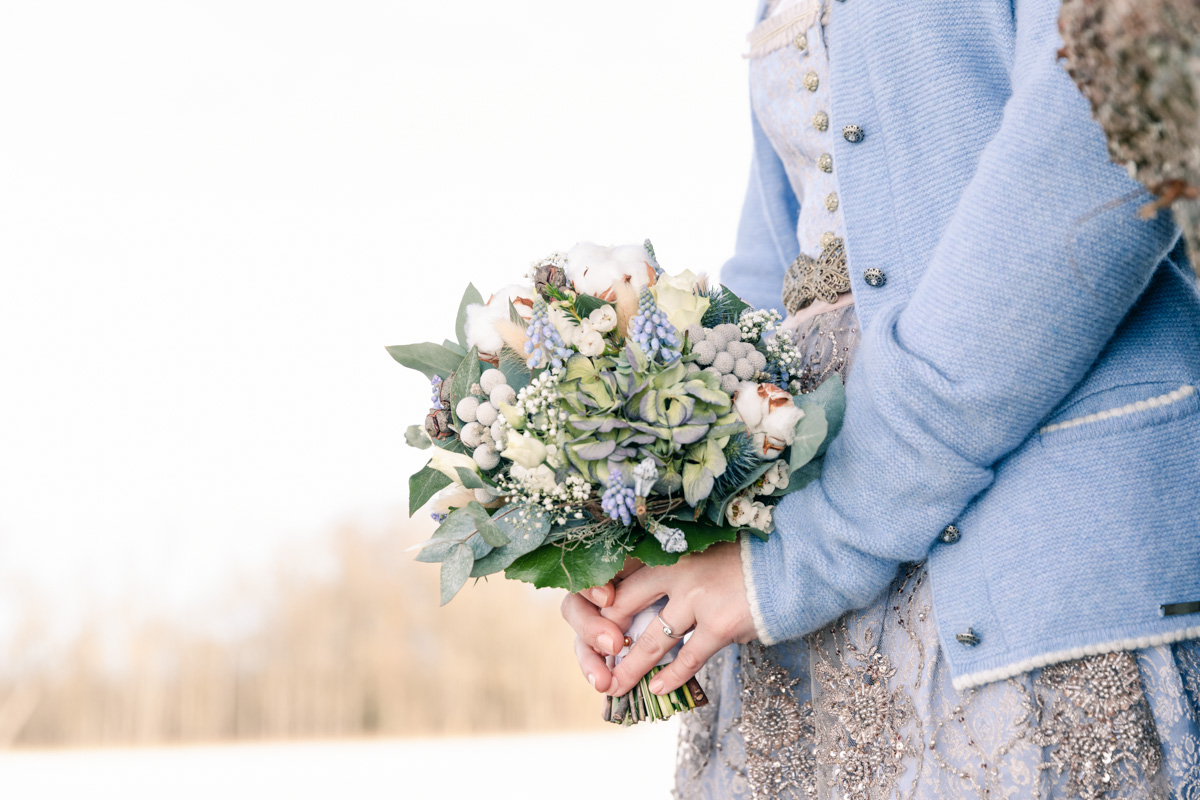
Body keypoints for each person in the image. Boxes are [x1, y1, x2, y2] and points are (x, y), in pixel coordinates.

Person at [560, 0, 1200, 796]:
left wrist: (801, 556)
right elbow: (775, 276)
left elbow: (1091, 150)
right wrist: (658, 533)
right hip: (802, 613)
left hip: (1021, 562)